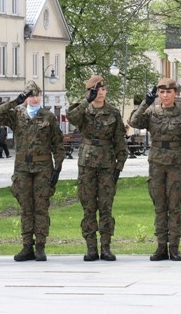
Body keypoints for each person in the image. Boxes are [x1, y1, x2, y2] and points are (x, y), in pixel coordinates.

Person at [0, 81, 65, 262]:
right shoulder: (17, 115)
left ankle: (40, 245)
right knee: (25, 207)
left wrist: (58, 167)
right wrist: (15, 101)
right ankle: (26, 245)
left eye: (36, 95)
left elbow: (57, 143)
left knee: (41, 207)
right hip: (23, 168)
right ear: (25, 98)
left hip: (43, 168)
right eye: (30, 95)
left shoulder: (48, 117)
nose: (34, 98)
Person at [128, 78, 181, 261]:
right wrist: (146, 101)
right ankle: (161, 246)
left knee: (174, 206)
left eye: (169, 92)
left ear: (176, 93)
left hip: (176, 164)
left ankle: (174, 247)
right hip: (157, 164)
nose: (165, 95)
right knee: (159, 206)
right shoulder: (151, 112)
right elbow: (134, 122)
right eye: (162, 92)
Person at [67, 75, 127, 261]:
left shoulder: (113, 112)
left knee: (106, 207)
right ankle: (91, 247)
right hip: (87, 165)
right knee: (88, 207)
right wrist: (87, 101)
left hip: (107, 164)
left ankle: (106, 247)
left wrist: (119, 166)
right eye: (96, 90)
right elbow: (71, 118)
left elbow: (120, 142)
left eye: (102, 89)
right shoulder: (82, 110)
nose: (101, 92)